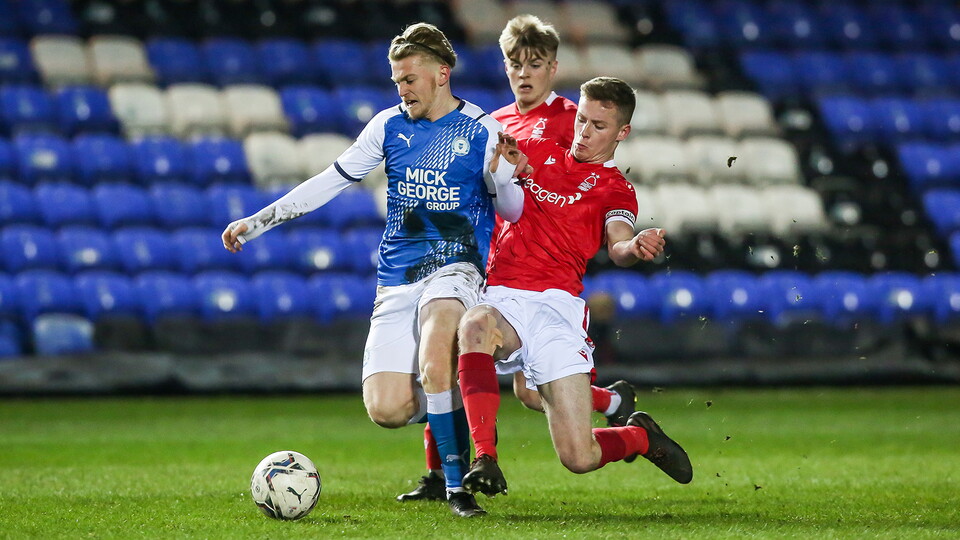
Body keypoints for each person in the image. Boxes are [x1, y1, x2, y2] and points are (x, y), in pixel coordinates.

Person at [221, 22, 529, 518]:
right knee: (388, 409)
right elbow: (328, 182)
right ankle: (464, 398)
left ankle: (458, 488)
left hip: (456, 268)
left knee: (435, 352)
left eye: (409, 79)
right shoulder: (388, 126)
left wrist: (504, 174)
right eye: (397, 81)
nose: (402, 89)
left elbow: (511, 211)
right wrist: (258, 223)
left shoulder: (483, 130)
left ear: (441, 74)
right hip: (397, 277)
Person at [398, 14, 636, 504]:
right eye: (514, 64)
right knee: (452, 349)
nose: (523, 74)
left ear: (552, 67)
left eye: (535, 64)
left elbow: (582, 194)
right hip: (488, 261)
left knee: (531, 391)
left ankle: (611, 404)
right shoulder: (494, 121)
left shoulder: (570, 124)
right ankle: (446, 472)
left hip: (541, 280)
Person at [456, 77, 693, 499]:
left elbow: (617, 241)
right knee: (474, 325)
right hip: (505, 295)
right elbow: (503, 191)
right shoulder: (539, 152)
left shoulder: (614, 187)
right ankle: (484, 458)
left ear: (622, 132)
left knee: (578, 456)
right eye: (581, 119)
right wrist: (505, 167)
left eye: (598, 126)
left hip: (557, 309)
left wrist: (633, 246)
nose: (583, 133)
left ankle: (639, 435)